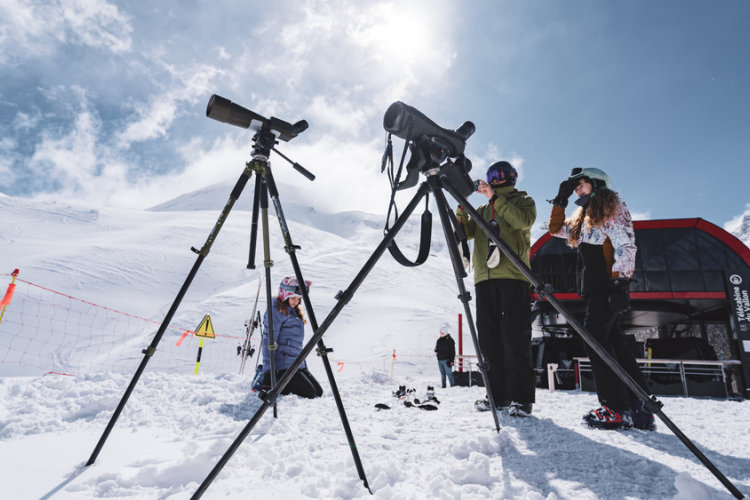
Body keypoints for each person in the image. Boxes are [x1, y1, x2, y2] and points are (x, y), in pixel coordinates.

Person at [549, 167, 656, 430]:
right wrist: (560, 201)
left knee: (595, 339)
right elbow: (554, 230)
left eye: (582, 183)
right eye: (575, 186)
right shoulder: (585, 217)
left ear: (598, 183)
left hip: (607, 286)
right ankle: (640, 408)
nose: (577, 188)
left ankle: (615, 408)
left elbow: (625, 245)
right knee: (615, 344)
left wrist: (620, 284)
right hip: (596, 287)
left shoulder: (611, 207)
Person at [456, 160, 537, 417]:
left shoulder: (523, 201)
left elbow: (522, 222)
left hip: (514, 276)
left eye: (501, 174)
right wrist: (462, 206)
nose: (496, 179)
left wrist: (495, 200)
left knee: (514, 338)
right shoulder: (479, 208)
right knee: (489, 340)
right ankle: (497, 396)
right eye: (492, 175)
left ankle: (521, 399)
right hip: (484, 280)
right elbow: (463, 231)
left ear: (512, 177)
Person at [260, 276, 323, 399]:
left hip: (295, 363)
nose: (296, 301)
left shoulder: (293, 310)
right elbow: (268, 340)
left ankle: (288, 382)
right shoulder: (275, 311)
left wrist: (304, 366)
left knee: (318, 392)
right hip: (281, 367)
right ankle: (274, 383)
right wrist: (269, 372)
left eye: (299, 298)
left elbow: (296, 344)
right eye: (293, 297)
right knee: (310, 394)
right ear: (284, 295)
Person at [434, 323, 456, 388]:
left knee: (449, 373)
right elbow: (436, 348)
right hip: (440, 359)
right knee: (442, 374)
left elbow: (453, 351)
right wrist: (436, 351)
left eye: (441, 331)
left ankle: (452, 386)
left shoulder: (449, 340)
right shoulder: (439, 340)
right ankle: (443, 386)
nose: (440, 332)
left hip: (447, 359)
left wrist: (452, 360)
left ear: (444, 331)